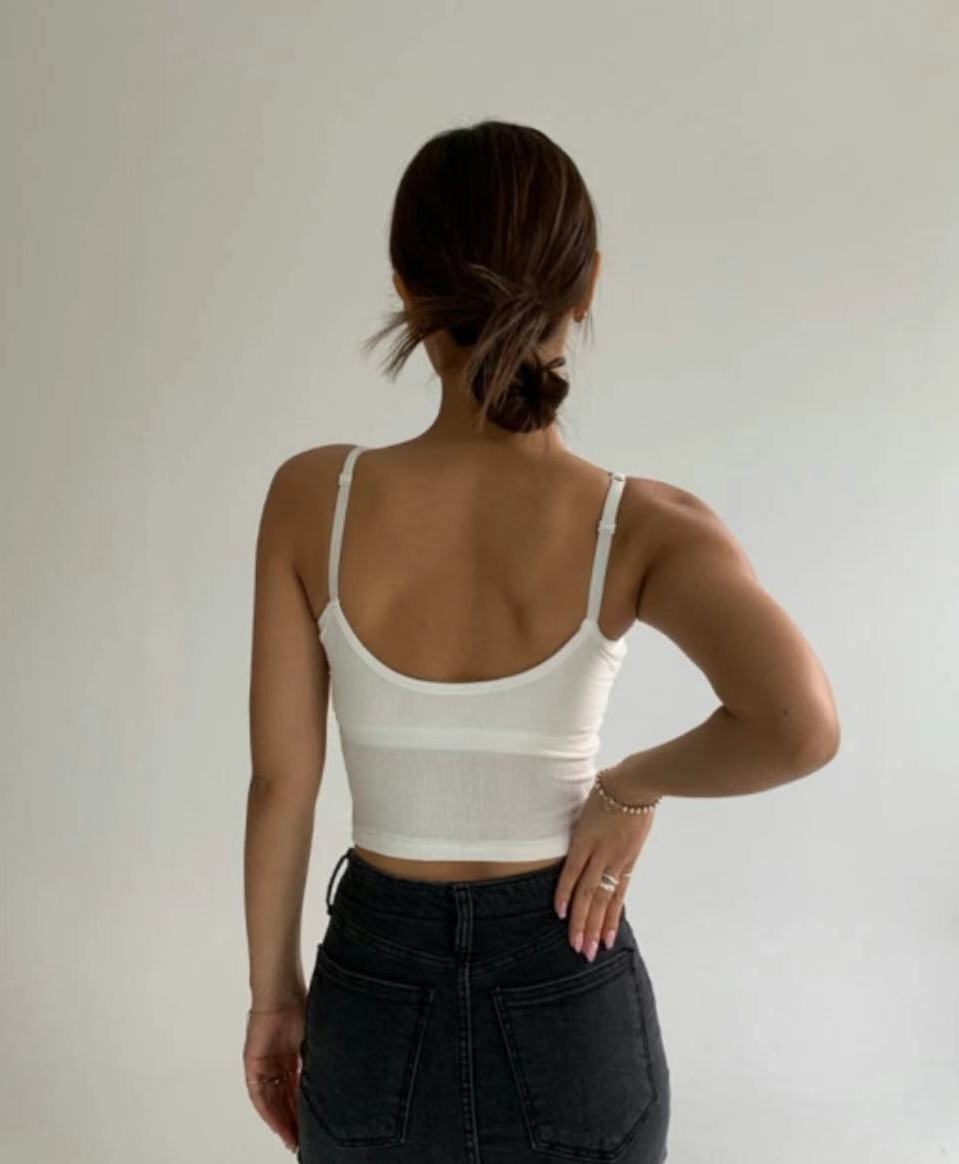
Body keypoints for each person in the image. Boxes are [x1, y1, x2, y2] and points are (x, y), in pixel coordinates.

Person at [242, 119, 840, 1163]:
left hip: (374, 991)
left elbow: (281, 784)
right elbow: (798, 728)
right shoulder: (640, 525)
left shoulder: (313, 500)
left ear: (406, 291)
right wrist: (631, 787)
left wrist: (273, 999)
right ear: (588, 285)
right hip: (569, 974)